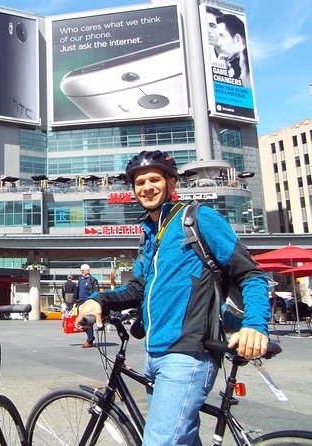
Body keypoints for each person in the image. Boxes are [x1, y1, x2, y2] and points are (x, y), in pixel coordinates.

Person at [76, 150, 270, 445]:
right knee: (183, 438)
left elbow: (250, 274)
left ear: (171, 182)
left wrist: (255, 324)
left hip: (189, 354)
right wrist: (99, 300)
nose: (147, 187)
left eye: (154, 179)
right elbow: (138, 289)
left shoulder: (198, 219)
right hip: (154, 355)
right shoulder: (149, 235)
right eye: (140, 182)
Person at [216, 13, 251, 88]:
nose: (219, 43)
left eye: (222, 36)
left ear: (237, 39)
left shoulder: (248, 71)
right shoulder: (232, 65)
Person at [76, 264, 99, 348]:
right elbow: (78, 291)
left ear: (87, 271)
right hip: (80, 303)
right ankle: (90, 337)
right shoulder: (80, 279)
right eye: (80, 270)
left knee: (87, 321)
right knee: (81, 322)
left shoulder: (93, 280)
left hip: (88, 304)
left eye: (82, 270)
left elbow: (96, 292)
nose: (81, 272)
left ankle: (89, 340)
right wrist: (76, 301)